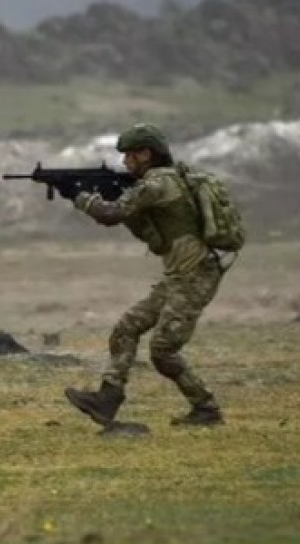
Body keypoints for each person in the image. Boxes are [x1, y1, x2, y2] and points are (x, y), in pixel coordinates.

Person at [64, 124, 227, 427]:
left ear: (145, 154)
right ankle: (108, 398)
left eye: (129, 155)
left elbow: (110, 214)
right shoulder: (164, 180)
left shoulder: (157, 184)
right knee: (126, 329)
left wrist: (79, 196)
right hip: (179, 276)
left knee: (163, 350)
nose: (125, 162)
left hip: (195, 276)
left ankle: (206, 408)